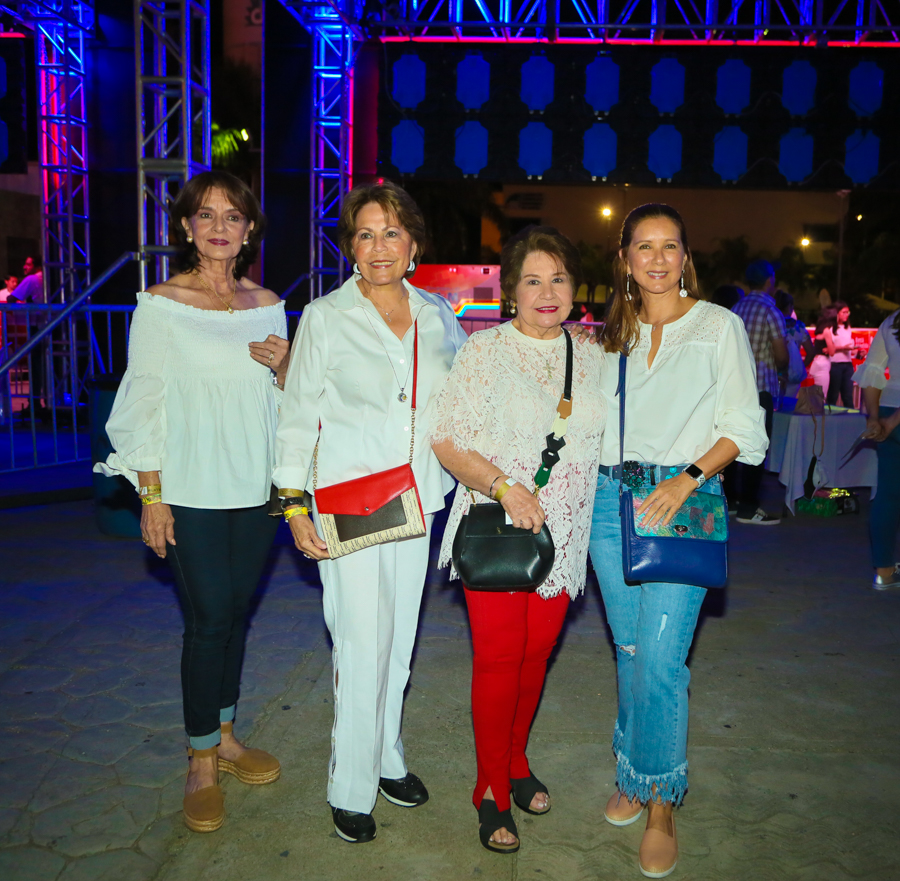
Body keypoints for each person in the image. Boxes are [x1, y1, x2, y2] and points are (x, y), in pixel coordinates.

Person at [274, 180, 468, 845]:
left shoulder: (438, 314)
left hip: (420, 498)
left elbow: (465, 399)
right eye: (365, 233)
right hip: (349, 501)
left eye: (391, 232)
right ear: (350, 246)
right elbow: (297, 415)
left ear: (414, 244)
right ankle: (350, 787)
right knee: (360, 643)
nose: (378, 246)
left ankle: (387, 758)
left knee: (399, 640)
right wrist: (293, 503)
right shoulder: (325, 316)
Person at [95, 170, 288, 834]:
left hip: (256, 487)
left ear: (249, 229)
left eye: (233, 216)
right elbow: (144, 401)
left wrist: (286, 366)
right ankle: (200, 758)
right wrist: (152, 495)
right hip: (189, 488)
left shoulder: (267, 302)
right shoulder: (162, 303)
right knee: (208, 620)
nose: (219, 226)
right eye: (205, 215)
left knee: (234, 614)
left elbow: (282, 399)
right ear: (185, 227)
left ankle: (226, 735)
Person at [588, 204, 766, 879]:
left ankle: (662, 800)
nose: (657, 259)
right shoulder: (611, 334)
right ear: (625, 258)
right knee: (631, 650)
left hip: (680, 501)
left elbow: (743, 425)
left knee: (662, 659)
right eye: (644, 246)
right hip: (609, 503)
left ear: (686, 257)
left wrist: (687, 479)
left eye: (670, 246)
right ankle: (632, 772)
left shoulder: (718, 327)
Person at [430, 227, 606, 854]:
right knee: (500, 660)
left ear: (574, 287)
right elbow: (447, 439)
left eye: (558, 278)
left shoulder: (592, 355)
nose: (547, 291)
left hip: (567, 531)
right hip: (500, 527)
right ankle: (490, 789)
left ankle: (515, 760)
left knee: (536, 658)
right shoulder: (485, 352)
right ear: (510, 291)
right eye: (533, 280)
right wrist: (506, 488)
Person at [729, 260, 788, 524]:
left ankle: (731, 500)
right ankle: (749, 507)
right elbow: (781, 355)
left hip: (733, 386)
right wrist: (781, 366)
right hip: (760, 386)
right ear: (769, 281)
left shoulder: (736, 308)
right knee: (756, 447)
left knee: (731, 443)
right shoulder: (771, 311)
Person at [856, 309, 900, 590]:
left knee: (888, 495)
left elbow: (871, 371)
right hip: (894, 417)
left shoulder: (892, 321)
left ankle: (884, 571)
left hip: (889, 406)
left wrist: (875, 418)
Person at [775, 289, 814, 399]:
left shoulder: (773, 324)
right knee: (788, 404)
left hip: (773, 374)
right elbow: (811, 352)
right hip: (793, 376)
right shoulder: (799, 327)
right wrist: (799, 366)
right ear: (790, 307)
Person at [824, 301, 856, 407]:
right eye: (844, 312)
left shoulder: (848, 327)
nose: (847, 315)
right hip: (835, 364)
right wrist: (843, 348)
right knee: (833, 395)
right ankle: (829, 416)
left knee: (848, 396)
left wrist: (857, 352)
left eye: (848, 312)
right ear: (836, 313)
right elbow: (826, 349)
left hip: (848, 365)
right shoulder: (829, 328)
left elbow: (849, 347)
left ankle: (851, 416)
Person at [808, 305, 838, 399]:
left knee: (818, 394)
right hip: (823, 363)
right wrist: (831, 348)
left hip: (818, 362)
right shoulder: (827, 331)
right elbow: (832, 352)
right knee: (821, 395)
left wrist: (830, 348)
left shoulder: (821, 329)